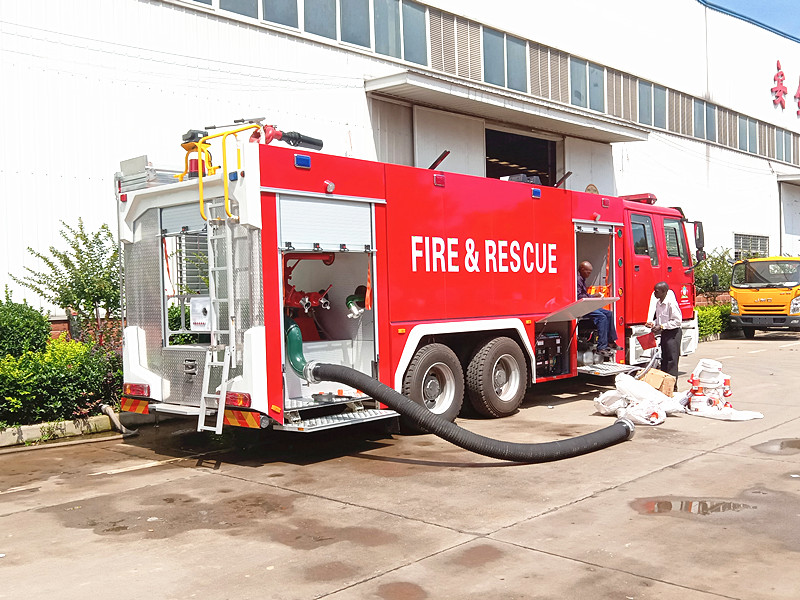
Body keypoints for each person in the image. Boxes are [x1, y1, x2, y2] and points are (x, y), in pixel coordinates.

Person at [577, 260, 618, 356]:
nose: (589, 274)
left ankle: (610, 341)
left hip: (586, 305)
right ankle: (601, 347)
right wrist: (593, 297)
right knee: (602, 317)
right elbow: (579, 297)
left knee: (609, 313)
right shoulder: (578, 280)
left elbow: (584, 295)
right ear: (582, 269)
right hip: (581, 307)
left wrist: (594, 296)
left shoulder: (582, 279)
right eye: (588, 272)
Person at [646, 281, 682, 389]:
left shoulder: (671, 303)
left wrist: (661, 326)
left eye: (657, 291)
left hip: (673, 333)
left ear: (664, 291)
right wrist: (653, 324)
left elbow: (677, 321)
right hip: (665, 333)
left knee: (671, 360)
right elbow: (660, 319)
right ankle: (665, 385)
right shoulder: (658, 303)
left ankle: (672, 387)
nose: (654, 293)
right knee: (664, 360)